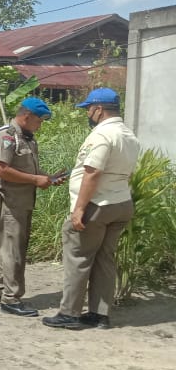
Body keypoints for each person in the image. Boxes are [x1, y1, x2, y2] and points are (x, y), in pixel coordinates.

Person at [43, 88, 140, 330]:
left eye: (88, 108)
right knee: (105, 259)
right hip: (121, 204)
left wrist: (79, 209)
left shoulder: (102, 135)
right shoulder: (129, 135)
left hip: (97, 205)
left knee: (79, 257)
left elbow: (93, 172)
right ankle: (100, 314)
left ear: (99, 109)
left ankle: (70, 314)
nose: (87, 113)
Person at [0, 97, 59, 317]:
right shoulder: (7, 136)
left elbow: (25, 170)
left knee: (12, 248)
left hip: (22, 201)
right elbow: (0, 169)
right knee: (13, 251)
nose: (41, 125)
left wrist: (45, 178)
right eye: (40, 120)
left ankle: (1, 289)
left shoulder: (27, 138)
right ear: (27, 116)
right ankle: (11, 298)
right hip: (9, 201)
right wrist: (34, 180)